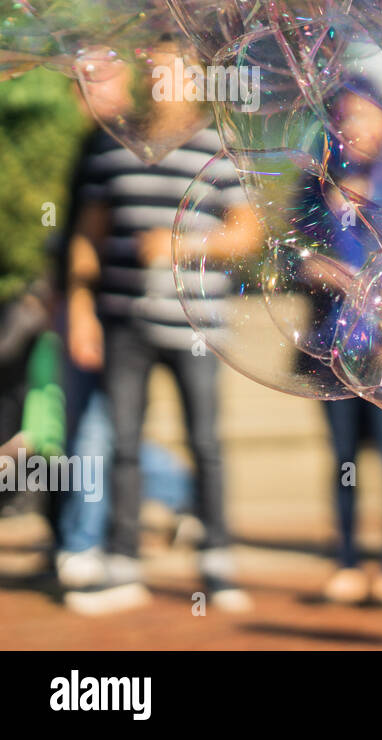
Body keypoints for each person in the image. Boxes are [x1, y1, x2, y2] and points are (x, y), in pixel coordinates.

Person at [65, 39, 262, 613]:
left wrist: (184, 245)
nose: (160, 81)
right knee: (123, 442)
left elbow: (247, 235)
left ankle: (217, 562)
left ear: (195, 80)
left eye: (172, 72)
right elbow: (87, 236)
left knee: (206, 441)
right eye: (153, 71)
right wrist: (81, 309)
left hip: (196, 325)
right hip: (123, 319)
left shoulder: (215, 147)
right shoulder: (112, 146)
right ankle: (123, 561)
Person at [294, 82, 382, 606]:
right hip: (331, 345)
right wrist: (311, 268)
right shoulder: (314, 188)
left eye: (367, 116)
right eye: (345, 119)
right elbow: (285, 255)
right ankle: (344, 561)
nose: (356, 129)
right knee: (342, 457)